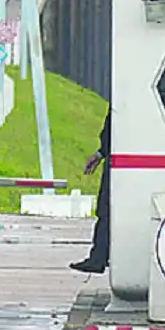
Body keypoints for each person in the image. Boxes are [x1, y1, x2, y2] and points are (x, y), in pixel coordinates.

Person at [70, 110, 112, 274]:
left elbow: (113, 127)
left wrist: (102, 151)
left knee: (106, 210)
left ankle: (99, 257)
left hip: (118, 158)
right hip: (118, 155)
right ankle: (101, 255)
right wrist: (100, 153)